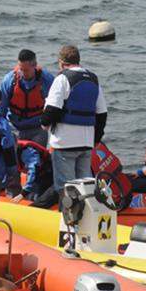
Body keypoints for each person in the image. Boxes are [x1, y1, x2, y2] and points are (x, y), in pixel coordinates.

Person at [41, 45, 108, 193]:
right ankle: (88, 215)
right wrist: (96, 138)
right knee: (86, 187)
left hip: (64, 142)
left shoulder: (62, 79)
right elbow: (102, 113)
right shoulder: (93, 79)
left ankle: (69, 216)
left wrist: (44, 124)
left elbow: (52, 109)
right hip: (86, 142)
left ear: (61, 62)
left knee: (67, 189)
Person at [0, 49, 55, 195]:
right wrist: (2, 132)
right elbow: (2, 110)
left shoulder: (46, 80)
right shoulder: (9, 81)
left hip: (38, 128)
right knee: (13, 163)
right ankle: (13, 194)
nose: (23, 73)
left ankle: (34, 195)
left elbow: (56, 104)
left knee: (36, 163)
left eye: (26, 70)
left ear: (35, 65)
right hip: (15, 128)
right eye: (21, 69)